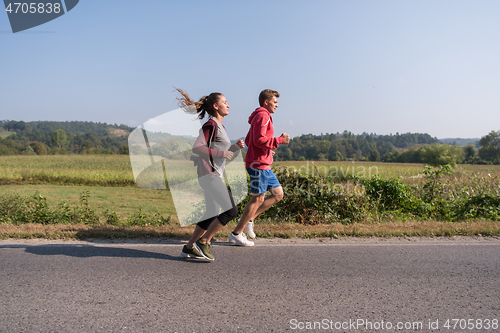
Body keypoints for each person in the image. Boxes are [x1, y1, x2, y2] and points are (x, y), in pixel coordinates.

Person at [176, 88, 245, 261]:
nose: (228, 105)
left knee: (213, 211)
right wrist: (222, 154)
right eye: (225, 102)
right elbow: (197, 147)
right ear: (216, 106)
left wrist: (233, 148)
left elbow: (220, 155)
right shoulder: (211, 125)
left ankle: (189, 247)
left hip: (214, 174)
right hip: (209, 175)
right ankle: (204, 241)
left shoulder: (220, 126)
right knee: (231, 210)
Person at [229, 89, 290, 246]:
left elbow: (249, 140)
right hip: (258, 165)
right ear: (266, 102)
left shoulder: (260, 116)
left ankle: (249, 220)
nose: (277, 105)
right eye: (275, 102)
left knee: (278, 194)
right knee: (258, 199)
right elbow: (258, 140)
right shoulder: (263, 115)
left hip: (263, 163)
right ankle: (237, 233)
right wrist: (279, 141)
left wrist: (267, 151)